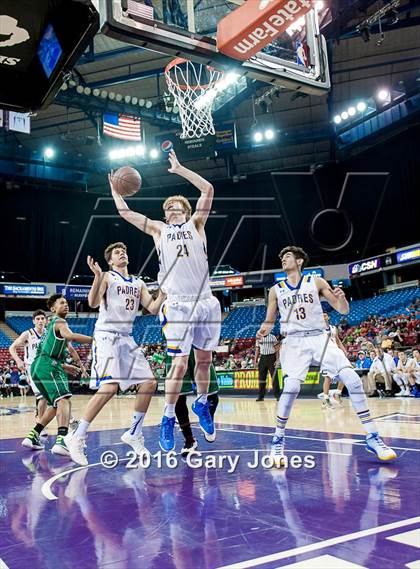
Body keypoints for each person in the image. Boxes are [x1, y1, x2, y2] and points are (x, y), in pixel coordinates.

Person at [110, 151, 221, 452]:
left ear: (185, 211)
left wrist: (180, 168)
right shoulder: (158, 230)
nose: (172, 209)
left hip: (206, 301)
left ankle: (201, 404)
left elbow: (208, 189)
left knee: (204, 360)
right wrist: (115, 191)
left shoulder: (197, 224)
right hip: (178, 304)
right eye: (168, 207)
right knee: (180, 361)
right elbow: (126, 213)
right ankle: (168, 417)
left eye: (177, 206)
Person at [257, 245, 396, 464]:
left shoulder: (317, 282)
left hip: (320, 337)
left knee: (352, 379)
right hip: (293, 341)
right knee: (292, 388)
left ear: (300, 261)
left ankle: (373, 436)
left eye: (288, 256)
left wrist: (341, 298)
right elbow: (269, 320)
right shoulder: (276, 290)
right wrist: (264, 329)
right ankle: (277, 440)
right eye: (282, 257)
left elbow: (343, 310)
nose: (283, 260)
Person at [66, 242, 164, 466]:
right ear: (110, 260)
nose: (123, 254)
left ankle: (134, 433)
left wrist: (166, 289)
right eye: (118, 253)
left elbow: (154, 307)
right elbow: (92, 302)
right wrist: (98, 276)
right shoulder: (108, 277)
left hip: (126, 337)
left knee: (149, 383)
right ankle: (77, 436)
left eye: (124, 251)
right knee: (109, 386)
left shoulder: (138, 283)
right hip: (106, 335)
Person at [21, 294, 92, 455]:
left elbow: (60, 350)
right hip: (48, 366)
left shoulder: (51, 327)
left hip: (37, 368)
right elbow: (70, 336)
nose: (66, 305)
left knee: (55, 404)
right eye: (62, 303)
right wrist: (94, 340)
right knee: (64, 399)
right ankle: (62, 441)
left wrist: (70, 365)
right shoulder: (60, 322)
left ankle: (33, 436)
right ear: (53, 309)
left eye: (67, 302)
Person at [166, 349, 219, 456]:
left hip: (198, 344)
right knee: (178, 397)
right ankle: (189, 440)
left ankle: (206, 416)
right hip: (176, 345)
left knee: (212, 393)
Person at [320, 312, 346, 407]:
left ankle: (337, 394)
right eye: (322, 315)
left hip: (336, 353)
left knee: (345, 373)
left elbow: (338, 341)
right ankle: (326, 399)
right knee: (328, 377)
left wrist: (344, 350)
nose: (324, 316)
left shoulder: (334, 328)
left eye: (325, 315)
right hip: (326, 354)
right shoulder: (318, 329)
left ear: (328, 317)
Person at [254, 332, 280, 401]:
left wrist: (277, 359)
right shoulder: (259, 337)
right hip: (262, 358)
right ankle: (261, 396)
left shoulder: (272, 337)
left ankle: (277, 395)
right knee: (261, 378)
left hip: (271, 357)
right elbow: (257, 349)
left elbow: (277, 349)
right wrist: (255, 360)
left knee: (274, 377)